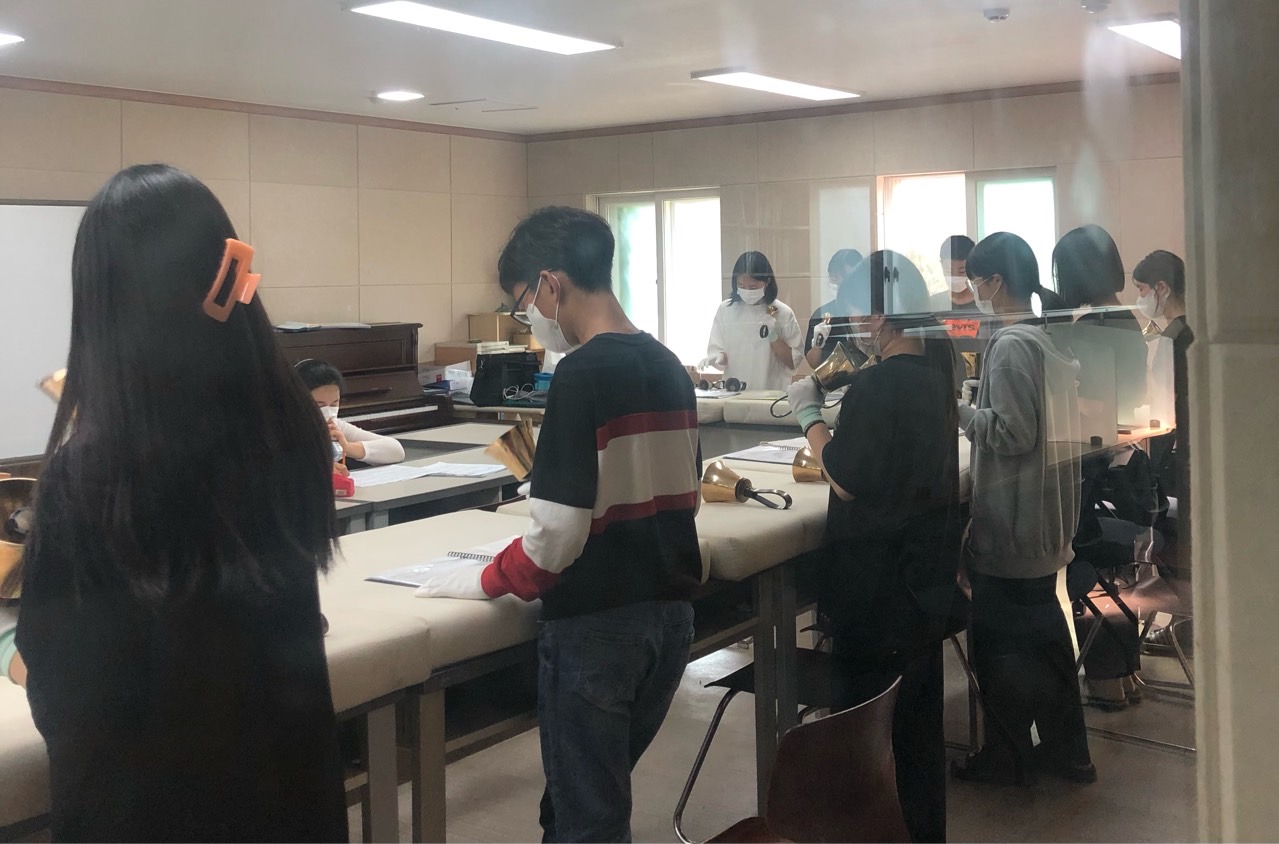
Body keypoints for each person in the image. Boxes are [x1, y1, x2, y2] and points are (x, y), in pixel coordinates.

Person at [16, 164, 347, 841]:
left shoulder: (93, 473)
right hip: (290, 789)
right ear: (229, 273)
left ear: (104, 304)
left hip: (151, 809)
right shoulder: (292, 431)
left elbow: (62, 680)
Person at [413, 206, 702, 843]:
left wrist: (485, 579)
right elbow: (684, 493)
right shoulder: (667, 363)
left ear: (551, 283)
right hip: (671, 620)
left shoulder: (579, 374)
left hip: (598, 628)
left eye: (524, 304)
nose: (530, 319)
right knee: (583, 804)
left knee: (586, 821)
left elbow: (556, 541)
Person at [787, 251, 962, 843]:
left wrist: (809, 415)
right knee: (916, 732)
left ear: (882, 317)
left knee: (866, 734)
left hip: (875, 589)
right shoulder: (936, 375)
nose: (858, 327)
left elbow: (845, 476)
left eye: (860, 314)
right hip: (921, 584)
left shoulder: (879, 384)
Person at [950, 232, 1095, 787]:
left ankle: (1006, 757)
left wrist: (961, 413)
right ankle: (1068, 754)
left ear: (995, 282)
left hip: (1014, 525)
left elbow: (1013, 434)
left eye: (975, 281)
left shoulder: (1011, 345)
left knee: (1002, 651)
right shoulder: (1046, 337)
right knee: (1047, 642)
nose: (973, 291)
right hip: (1046, 522)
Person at [1134, 250, 1192, 572]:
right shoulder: (1194, 329)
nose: (1140, 298)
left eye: (1141, 289)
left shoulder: (1172, 339)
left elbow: (1164, 401)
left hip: (1179, 447)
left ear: (1162, 288)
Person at [1052, 224, 1148, 420]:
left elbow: (1093, 405)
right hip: (1125, 424)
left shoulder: (1092, 328)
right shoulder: (1127, 318)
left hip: (1100, 431)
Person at [699, 251, 803, 391]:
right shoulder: (726, 310)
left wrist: (773, 336)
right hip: (734, 394)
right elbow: (723, 356)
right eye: (741, 286)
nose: (747, 291)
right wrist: (717, 357)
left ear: (767, 282)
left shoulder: (782, 313)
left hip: (770, 394)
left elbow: (793, 361)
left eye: (753, 287)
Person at [295, 358, 406, 466]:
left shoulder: (334, 425)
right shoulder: (287, 430)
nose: (329, 412)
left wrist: (347, 447)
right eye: (320, 405)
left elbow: (396, 450)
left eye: (334, 404)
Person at [805, 248, 863, 368]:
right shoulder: (822, 314)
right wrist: (817, 344)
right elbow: (813, 363)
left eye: (842, 276)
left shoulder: (870, 312)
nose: (836, 281)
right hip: (833, 377)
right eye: (833, 276)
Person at [940, 235, 978, 313]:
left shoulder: (986, 305)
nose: (955, 276)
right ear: (941, 265)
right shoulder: (934, 304)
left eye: (961, 271)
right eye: (949, 270)